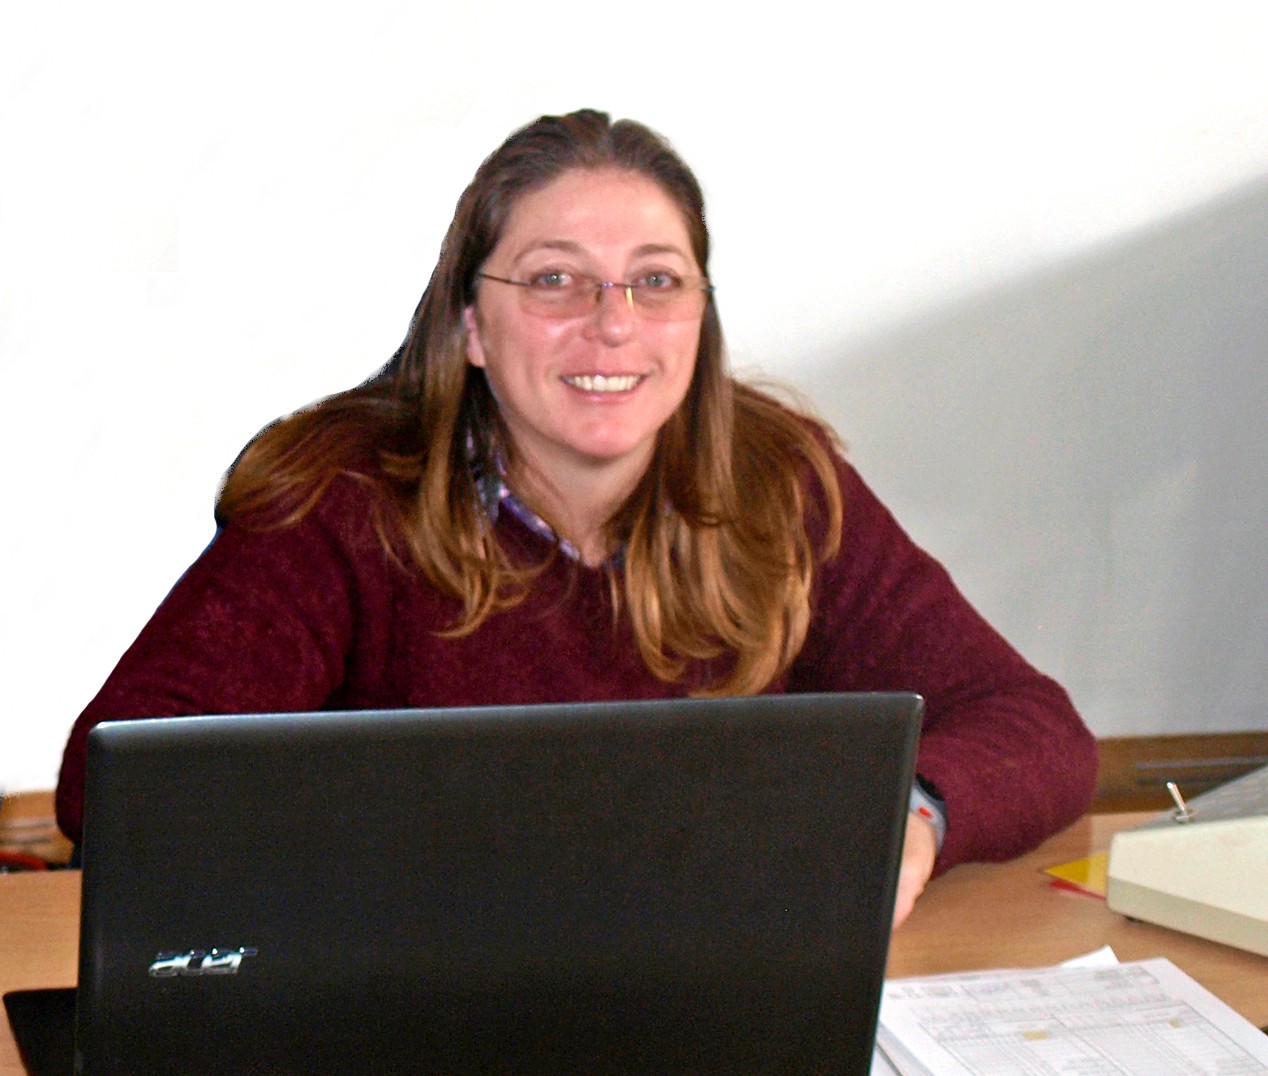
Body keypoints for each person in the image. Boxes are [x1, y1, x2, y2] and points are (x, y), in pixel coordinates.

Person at [55, 108, 1097, 926]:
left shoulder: (779, 483)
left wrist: (914, 819)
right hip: (424, 1002)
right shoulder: (342, 498)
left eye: (656, 281)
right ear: (471, 324)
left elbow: (1032, 724)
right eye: (555, 279)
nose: (613, 323)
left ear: (699, 317)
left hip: (699, 996)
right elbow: (118, 781)